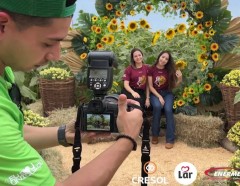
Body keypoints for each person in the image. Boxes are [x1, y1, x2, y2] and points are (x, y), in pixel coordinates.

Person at [0, 1, 143, 186]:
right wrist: (127, 138)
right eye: (48, 43)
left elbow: (13, 133)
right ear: (2, 26)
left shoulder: (5, 71)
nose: (56, 55)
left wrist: (65, 134)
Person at [148, 51, 182, 149]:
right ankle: (155, 134)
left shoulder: (169, 70)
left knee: (168, 110)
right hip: (155, 93)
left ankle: (170, 139)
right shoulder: (151, 69)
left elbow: (173, 86)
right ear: (159, 56)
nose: (164, 60)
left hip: (167, 93)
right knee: (157, 107)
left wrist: (179, 79)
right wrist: (159, 96)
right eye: (163, 57)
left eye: (166, 59)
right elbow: (150, 86)